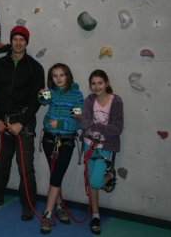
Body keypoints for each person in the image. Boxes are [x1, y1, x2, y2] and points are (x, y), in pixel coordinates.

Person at [0, 25, 45, 220]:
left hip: (24, 123)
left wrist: (21, 122)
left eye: (22, 40)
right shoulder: (0, 65)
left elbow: (36, 100)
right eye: (15, 39)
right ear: (11, 41)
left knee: (25, 168)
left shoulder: (35, 68)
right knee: (2, 164)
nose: (18, 43)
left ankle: (28, 204)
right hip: (3, 122)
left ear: (26, 43)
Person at [37, 64, 84, 235]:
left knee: (57, 176)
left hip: (66, 141)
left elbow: (77, 120)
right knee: (55, 175)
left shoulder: (76, 94)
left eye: (61, 75)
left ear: (68, 76)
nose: (58, 78)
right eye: (55, 75)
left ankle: (47, 214)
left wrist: (61, 124)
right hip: (49, 139)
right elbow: (42, 100)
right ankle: (59, 205)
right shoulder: (52, 92)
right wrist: (41, 94)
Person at [78, 70, 123, 235]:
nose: (96, 87)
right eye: (93, 83)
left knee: (96, 182)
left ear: (107, 83)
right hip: (89, 145)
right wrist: (78, 119)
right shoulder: (89, 100)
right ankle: (95, 216)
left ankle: (110, 175)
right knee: (92, 184)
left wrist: (95, 127)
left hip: (106, 146)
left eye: (100, 83)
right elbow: (85, 125)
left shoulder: (116, 101)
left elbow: (117, 128)